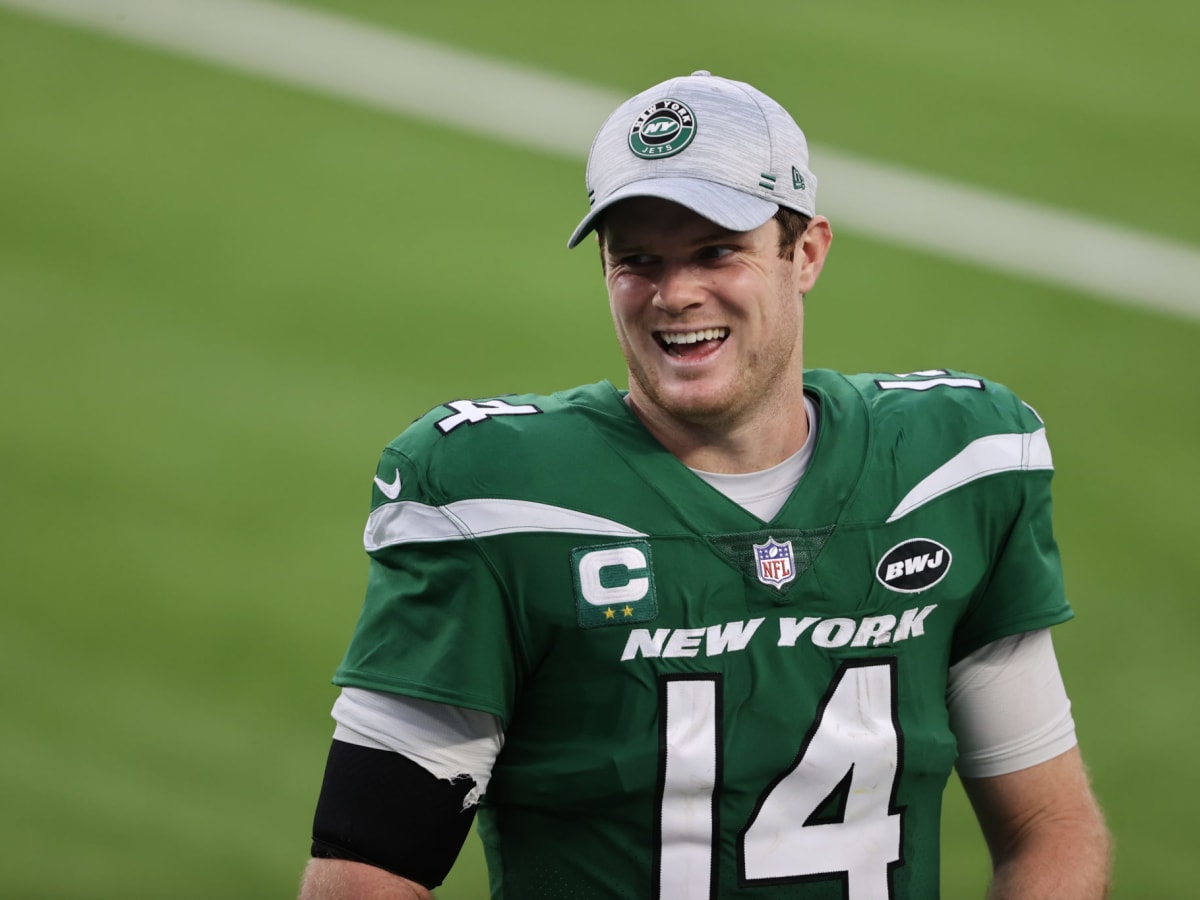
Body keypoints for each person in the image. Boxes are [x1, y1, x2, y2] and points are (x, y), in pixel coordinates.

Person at [299, 71, 1112, 899]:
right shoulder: (495, 502)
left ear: (807, 253)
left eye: (716, 251)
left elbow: (1049, 826)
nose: (675, 294)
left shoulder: (952, 471)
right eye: (638, 260)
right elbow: (369, 869)